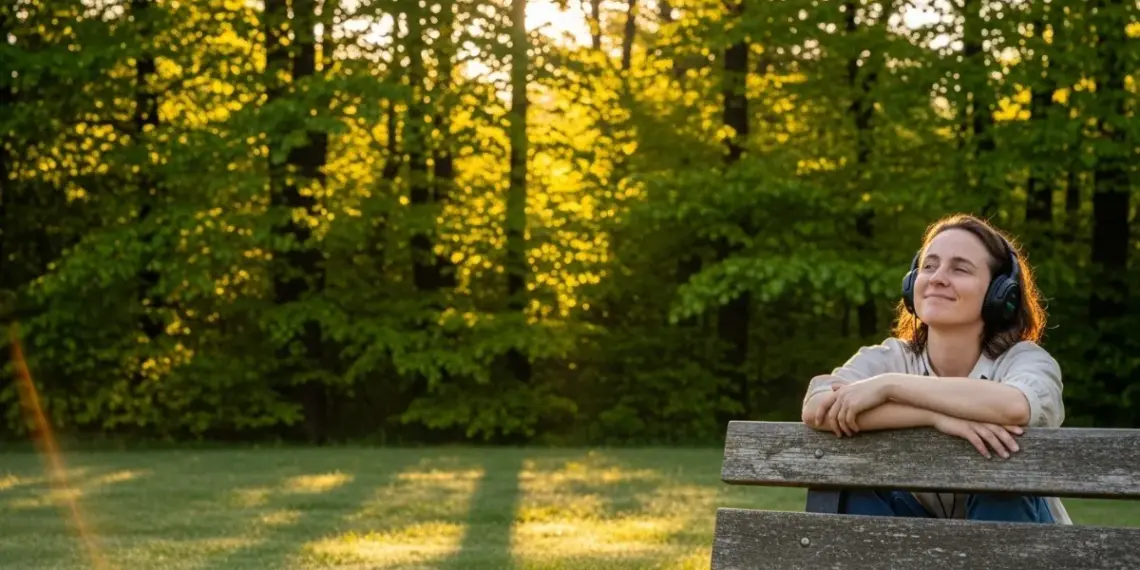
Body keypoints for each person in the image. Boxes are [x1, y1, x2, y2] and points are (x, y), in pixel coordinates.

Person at [800, 213, 1068, 523]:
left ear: (1000, 293)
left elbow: (1015, 405)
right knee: (852, 487)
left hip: (1022, 537)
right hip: (916, 539)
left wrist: (890, 387)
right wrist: (934, 417)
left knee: (998, 485)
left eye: (960, 269)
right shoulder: (891, 356)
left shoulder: (1027, 360)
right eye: (929, 266)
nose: (937, 277)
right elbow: (817, 407)